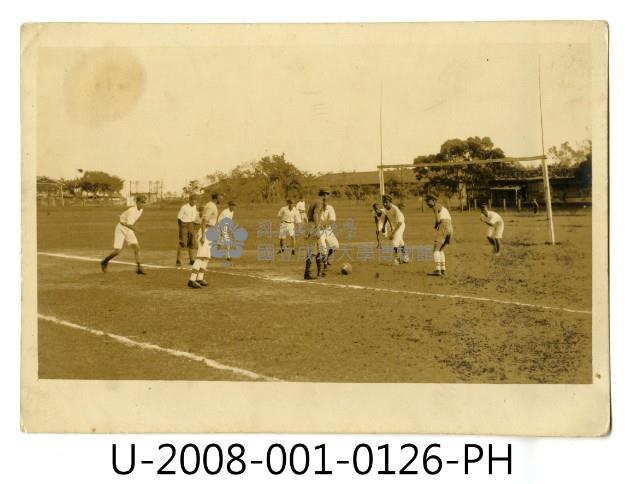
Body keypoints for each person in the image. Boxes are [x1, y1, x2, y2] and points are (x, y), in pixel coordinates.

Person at [100, 196, 147, 275]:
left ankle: (139, 269)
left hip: (128, 229)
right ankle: (104, 261)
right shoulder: (132, 210)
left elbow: (128, 222)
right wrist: (138, 231)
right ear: (137, 202)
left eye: (144, 202)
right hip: (121, 229)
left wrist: (122, 216)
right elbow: (128, 224)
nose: (143, 204)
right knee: (117, 251)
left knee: (137, 248)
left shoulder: (141, 210)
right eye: (141, 202)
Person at [187, 193, 221, 288]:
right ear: (216, 197)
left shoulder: (213, 205)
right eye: (220, 196)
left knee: (206, 257)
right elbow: (204, 221)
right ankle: (192, 279)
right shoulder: (210, 205)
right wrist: (203, 236)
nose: (221, 198)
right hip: (205, 232)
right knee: (201, 256)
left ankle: (200, 278)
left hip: (210, 232)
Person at [303, 188, 338, 279]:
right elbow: (315, 214)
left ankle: (320, 272)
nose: (328, 197)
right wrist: (317, 228)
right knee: (313, 251)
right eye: (328, 195)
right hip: (314, 226)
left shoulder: (315, 201)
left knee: (318, 250)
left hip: (311, 225)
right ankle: (308, 273)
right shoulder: (319, 202)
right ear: (325, 194)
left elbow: (309, 215)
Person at [425, 194, 453, 276]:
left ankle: (438, 270)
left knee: (435, 249)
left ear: (433, 201)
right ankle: (443, 269)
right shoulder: (442, 207)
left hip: (444, 225)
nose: (427, 203)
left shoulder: (435, 206)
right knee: (440, 249)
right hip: (450, 228)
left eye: (428, 201)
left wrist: (436, 226)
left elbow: (438, 220)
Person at [381, 195, 407, 264]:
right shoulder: (385, 208)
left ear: (390, 202)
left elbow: (400, 223)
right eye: (383, 202)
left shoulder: (395, 209)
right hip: (395, 225)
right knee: (400, 242)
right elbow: (386, 216)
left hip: (400, 225)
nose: (384, 204)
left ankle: (397, 258)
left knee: (394, 242)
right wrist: (383, 227)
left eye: (386, 202)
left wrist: (392, 233)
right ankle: (405, 257)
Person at [176, 194, 199, 266]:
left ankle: (191, 260)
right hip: (184, 225)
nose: (194, 201)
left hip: (191, 225)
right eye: (193, 199)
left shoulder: (195, 207)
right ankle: (178, 259)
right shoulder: (184, 207)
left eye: (195, 200)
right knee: (182, 243)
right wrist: (181, 228)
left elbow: (195, 217)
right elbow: (179, 218)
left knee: (191, 243)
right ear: (189, 200)